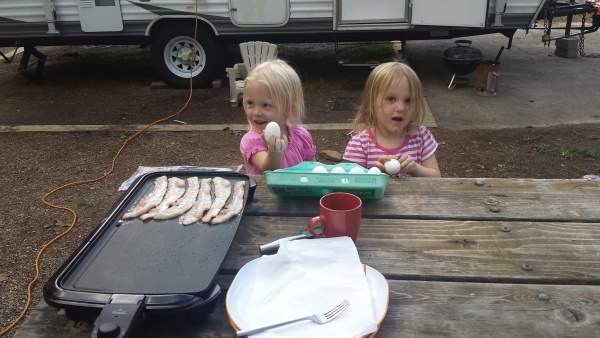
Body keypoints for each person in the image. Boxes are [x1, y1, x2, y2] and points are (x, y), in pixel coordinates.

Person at [343, 62, 441, 177]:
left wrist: (415, 169)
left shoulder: (421, 136)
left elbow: (436, 178)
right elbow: (351, 183)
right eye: (391, 99)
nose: (401, 108)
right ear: (370, 103)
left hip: (416, 195)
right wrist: (374, 173)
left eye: (408, 100)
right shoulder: (360, 144)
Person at [239, 59, 316, 174]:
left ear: (289, 109)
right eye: (250, 103)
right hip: (264, 192)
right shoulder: (252, 141)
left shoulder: (301, 136)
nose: (256, 112)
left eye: (266, 105)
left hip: (299, 192)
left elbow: (313, 168)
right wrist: (274, 152)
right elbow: (268, 169)